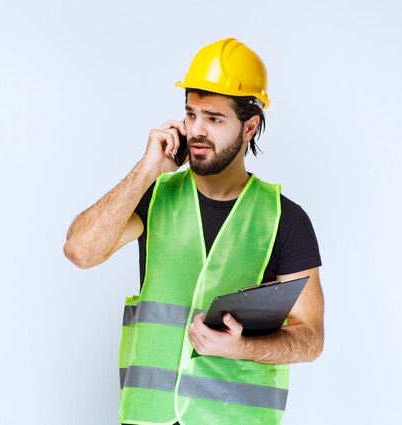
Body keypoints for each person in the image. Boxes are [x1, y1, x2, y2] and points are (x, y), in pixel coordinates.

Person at [64, 38, 324, 425]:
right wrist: (147, 169)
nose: (197, 130)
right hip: (148, 418)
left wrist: (241, 348)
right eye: (191, 114)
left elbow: (311, 339)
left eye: (214, 118)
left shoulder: (284, 218)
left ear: (249, 126)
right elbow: (80, 251)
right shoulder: (153, 196)